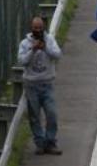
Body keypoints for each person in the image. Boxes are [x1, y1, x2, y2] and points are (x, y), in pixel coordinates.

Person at [17, 16, 63, 155]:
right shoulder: (25, 43)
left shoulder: (49, 40)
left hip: (47, 83)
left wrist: (45, 48)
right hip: (31, 85)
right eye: (35, 28)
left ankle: (50, 141)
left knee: (52, 114)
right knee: (35, 116)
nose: (38, 30)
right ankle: (40, 143)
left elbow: (57, 54)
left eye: (40, 28)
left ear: (44, 28)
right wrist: (33, 49)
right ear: (31, 28)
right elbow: (22, 61)